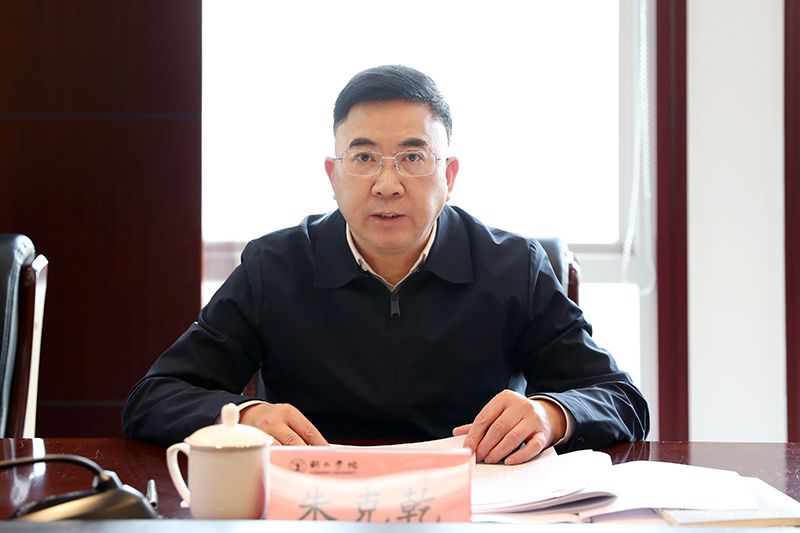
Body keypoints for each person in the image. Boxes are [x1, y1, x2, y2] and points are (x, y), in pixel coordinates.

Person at [123, 65, 649, 464]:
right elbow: (154, 398)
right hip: (317, 504)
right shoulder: (274, 266)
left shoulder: (512, 266)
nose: (387, 183)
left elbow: (620, 398)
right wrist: (245, 416)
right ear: (333, 176)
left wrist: (551, 414)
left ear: (450, 176)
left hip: (474, 505)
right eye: (364, 157)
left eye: (413, 158)